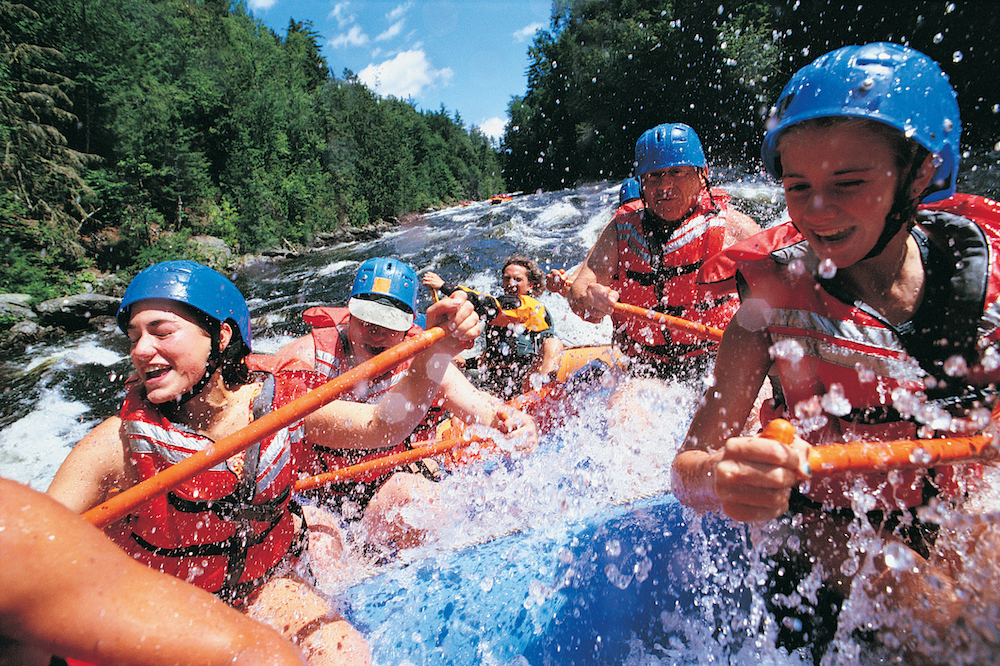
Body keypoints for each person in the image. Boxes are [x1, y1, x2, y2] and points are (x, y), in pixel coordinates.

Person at [672, 43, 1000, 662]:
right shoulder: (768, 302)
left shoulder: (987, 275)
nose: (817, 213)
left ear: (921, 172)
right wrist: (723, 477)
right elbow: (688, 468)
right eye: (799, 187)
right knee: (941, 616)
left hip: (952, 509)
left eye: (848, 183)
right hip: (823, 529)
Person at [46, 260, 480, 666]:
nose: (142, 350)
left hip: (260, 587)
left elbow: (382, 425)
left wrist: (435, 351)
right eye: (134, 337)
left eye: (161, 332)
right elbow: (31, 556)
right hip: (162, 608)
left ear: (221, 336)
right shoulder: (111, 446)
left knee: (341, 651)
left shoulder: (277, 404)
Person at [272, 257, 538, 536]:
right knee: (318, 539)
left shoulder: (421, 359)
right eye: (367, 321)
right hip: (316, 494)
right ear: (350, 314)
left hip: (390, 481)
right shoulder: (306, 358)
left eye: (389, 324)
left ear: (408, 326)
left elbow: (480, 406)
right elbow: (377, 425)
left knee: (414, 498)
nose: (376, 334)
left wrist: (514, 422)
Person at [0, 477, 307, 666]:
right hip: (166, 600)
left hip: (264, 588)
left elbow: (251, 651)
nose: (143, 365)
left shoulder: (13, 536)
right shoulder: (118, 443)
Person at [568, 123, 761, 380]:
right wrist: (589, 297)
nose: (664, 186)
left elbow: (781, 305)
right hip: (649, 369)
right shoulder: (619, 232)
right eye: (654, 176)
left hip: (721, 362)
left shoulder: (735, 229)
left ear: (701, 174)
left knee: (756, 402)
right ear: (642, 182)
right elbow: (580, 288)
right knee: (625, 409)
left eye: (677, 172)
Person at [422, 254, 565, 398]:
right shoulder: (499, 314)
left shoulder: (532, 308)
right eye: (507, 278)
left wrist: (444, 287)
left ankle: (543, 398)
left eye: (518, 279)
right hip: (499, 384)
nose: (511, 283)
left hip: (527, 382)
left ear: (530, 286)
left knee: (553, 344)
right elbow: (493, 358)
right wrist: (466, 363)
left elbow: (485, 305)